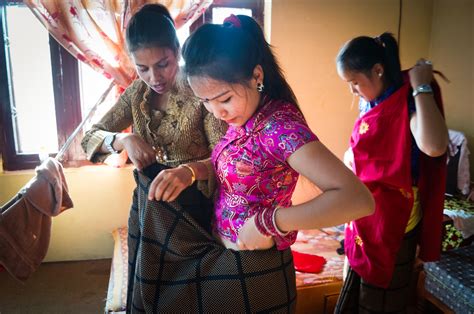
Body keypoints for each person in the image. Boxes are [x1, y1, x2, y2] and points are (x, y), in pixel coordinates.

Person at [136, 14, 373, 312]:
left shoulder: (280, 127)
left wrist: (270, 221)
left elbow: (358, 199)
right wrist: (192, 170)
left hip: (258, 274)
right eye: (206, 102)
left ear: (256, 76)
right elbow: (239, 162)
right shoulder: (246, 117)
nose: (216, 112)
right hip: (228, 263)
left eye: (223, 98)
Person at [80, 3, 227, 311]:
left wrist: (188, 171)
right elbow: (89, 138)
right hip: (148, 209)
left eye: (163, 64)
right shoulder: (136, 94)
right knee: (147, 290)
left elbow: (224, 156)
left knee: (188, 296)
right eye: (142, 68)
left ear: (177, 50)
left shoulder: (200, 90)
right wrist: (123, 139)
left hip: (195, 212)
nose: (154, 76)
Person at [334, 32, 449, 313]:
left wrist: (422, 86)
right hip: (365, 213)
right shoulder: (373, 101)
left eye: (355, 82)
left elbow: (434, 146)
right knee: (359, 285)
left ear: (378, 70)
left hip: (393, 218)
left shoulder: (406, 102)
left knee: (382, 298)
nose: (352, 91)